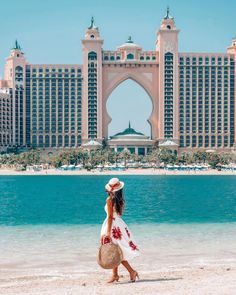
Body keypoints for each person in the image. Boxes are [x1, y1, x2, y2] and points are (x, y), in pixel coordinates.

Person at [100, 177, 140, 283]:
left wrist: (108, 232)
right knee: (117, 250)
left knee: (116, 251)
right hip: (119, 225)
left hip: (112, 226)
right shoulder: (120, 200)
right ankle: (115, 274)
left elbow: (109, 217)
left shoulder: (109, 200)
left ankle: (131, 271)